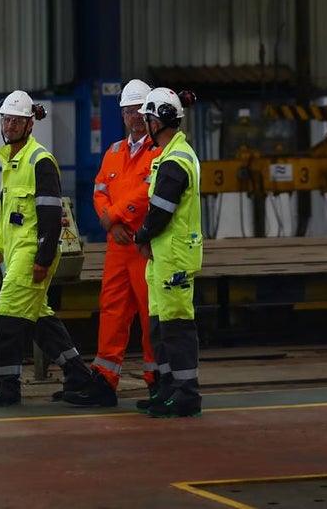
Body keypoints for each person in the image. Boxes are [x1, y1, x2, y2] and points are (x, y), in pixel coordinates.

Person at [0, 90, 93, 407]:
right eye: (7, 119)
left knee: (9, 312)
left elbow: (50, 214)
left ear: (30, 124)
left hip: (33, 252)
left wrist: (43, 258)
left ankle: (7, 385)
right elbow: (7, 212)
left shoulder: (40, 161)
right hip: (17, 250)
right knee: (38, 317)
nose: (10, 125)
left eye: (17, 120)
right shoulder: (13, 161)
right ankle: (78, 374)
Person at [64, 79, 159, 408]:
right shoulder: (115, 151)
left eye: (139, 111)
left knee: (151, 315)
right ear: (121, 114)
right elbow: (99, 190)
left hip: (146, 245)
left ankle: (157, 381)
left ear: (150, 115)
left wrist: (114, 218)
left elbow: (149, 192)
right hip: (119, 247)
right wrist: (113, 221)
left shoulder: (159, 151)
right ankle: (104, 381)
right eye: (129, 111)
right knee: (113, 311)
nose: (134, 116)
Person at [132, 87, 203, 418]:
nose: (143, 124)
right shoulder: (171, 156)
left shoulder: (175, 160)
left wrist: (141, 235)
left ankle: (186, 394)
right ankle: (167, 388)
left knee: (176, 327)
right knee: (159, 326)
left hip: (172, 257)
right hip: (163, 257)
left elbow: (161, 209)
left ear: (156, 122)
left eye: (146, 118)